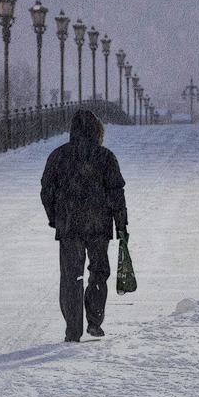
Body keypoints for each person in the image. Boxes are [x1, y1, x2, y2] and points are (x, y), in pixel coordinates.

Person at [40, 109, 128, 342]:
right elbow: (116, 192)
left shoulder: (58, 156)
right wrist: (121, 224)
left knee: (71, 277)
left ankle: (73, 329)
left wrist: (54, 217)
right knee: (98, 273)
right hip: (99, 226)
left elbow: (46, 191)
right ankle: (95, 320)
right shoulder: (106, 157)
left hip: (69, 225)